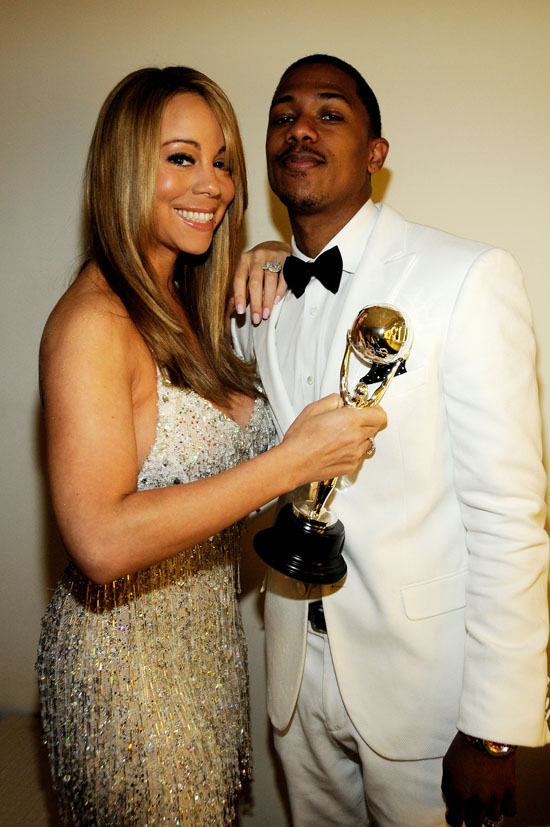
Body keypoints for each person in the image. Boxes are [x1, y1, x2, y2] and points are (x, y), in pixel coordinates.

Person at [35, 65, 386, 826]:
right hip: (122, 674)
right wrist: (293, 460)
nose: (214, 183)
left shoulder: (187, 296)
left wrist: (263, 252)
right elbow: (97, 537)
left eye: (223, 161)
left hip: (206, 645)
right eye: (182, 158)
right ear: (125, 164)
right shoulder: (92, 325)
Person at [232, 54, 550, 827]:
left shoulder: (467, 276)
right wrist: (257, 258)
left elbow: (510, 512)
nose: (299, 128)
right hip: (293, 678)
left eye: (329, 112)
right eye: (282, 114)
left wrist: (495, 729)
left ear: (376, 153)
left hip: (429, 695)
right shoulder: (259, 299)